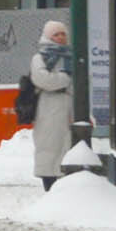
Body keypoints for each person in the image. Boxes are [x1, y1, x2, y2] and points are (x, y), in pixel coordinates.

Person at [29, 20, 74, 191]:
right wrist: (65, 79)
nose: (61, 37)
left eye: (63, 33)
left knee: (66, 146)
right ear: (48, 36)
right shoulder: (39, 58)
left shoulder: (71, 56)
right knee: (49, 146)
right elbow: (43, 80)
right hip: (48, 109)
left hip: (68, 107)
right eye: (56, 34)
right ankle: (49, 185)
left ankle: (64, 185)